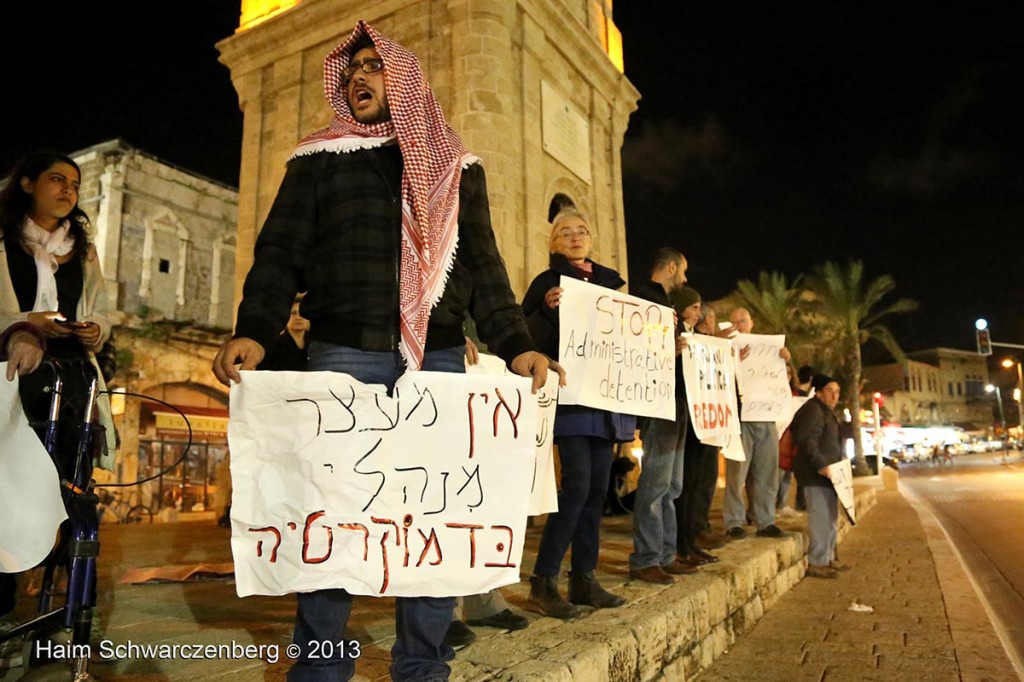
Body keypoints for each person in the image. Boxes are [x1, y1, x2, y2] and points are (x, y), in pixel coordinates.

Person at [210, 21, 561, 682]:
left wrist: (516, 345)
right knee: (333, 523)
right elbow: (279, 254)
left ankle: (422, 668)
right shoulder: (317, 161)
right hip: (344, 359)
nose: (357, 78)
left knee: (430, 526)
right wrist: (255, 329)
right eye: (349, 71)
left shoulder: (458, 171)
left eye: (372, 66)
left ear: (402, 77)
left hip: (439, 365)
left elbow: (483, 268)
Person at [520, 206, 633, 618]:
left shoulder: (609, 284)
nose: (574, 236)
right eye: (565, 232)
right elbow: (525, 335)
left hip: (604, 402)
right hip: (569, 400)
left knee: (597, 490)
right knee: (577, 487)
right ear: (554, 242)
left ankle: (584, 578)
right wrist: (547, 310)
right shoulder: (546, 284)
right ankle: (543, 581)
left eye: (581, 230)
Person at [627, 249, 699, 584]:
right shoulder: (641, 298)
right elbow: (634, 347)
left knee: (672, 485)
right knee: (655, 483)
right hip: (658, 404)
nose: (684, 279)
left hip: (677, 404)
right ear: (670, 267)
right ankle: (646, 558)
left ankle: (666, 554)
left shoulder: (664, 303)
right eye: (682, 271)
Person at [217, 293, 311, 529]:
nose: (297, 319)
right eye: (291, 314)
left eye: (301, 314)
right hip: (280, 420)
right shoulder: (273, 348)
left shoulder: (317, 348)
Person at [723, 307, 790, 540]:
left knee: (767, 474)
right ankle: (734, 522)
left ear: (751, 322)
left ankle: (765, 521)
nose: (740, 325)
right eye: (735, 322)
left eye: (743, 320)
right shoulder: (725, 349)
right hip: (740, 420)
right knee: (736, 475)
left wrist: (785, 360)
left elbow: (782, 381)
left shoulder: (768, 349)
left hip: (765, 417)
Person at [675, 301, 723, 566]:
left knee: (698, 482)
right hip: (687, 419)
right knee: (683, 485)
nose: (699, 314)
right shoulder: (680, 337)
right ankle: (681, 544)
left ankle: (690, 540)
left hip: (703, 421)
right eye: (693, 307)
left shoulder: (701, 340)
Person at [790, 374, 849, 578]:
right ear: (819, 392)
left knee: (831, 519)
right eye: (830, 391)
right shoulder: (814, 410)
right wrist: (821, 465)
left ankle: (828, 557)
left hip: (829, 474)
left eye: (837, 391)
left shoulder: (826, 411)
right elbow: (807, 440)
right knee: (821, 519)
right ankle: (817, 562)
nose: (834, 395)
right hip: (815, 474)